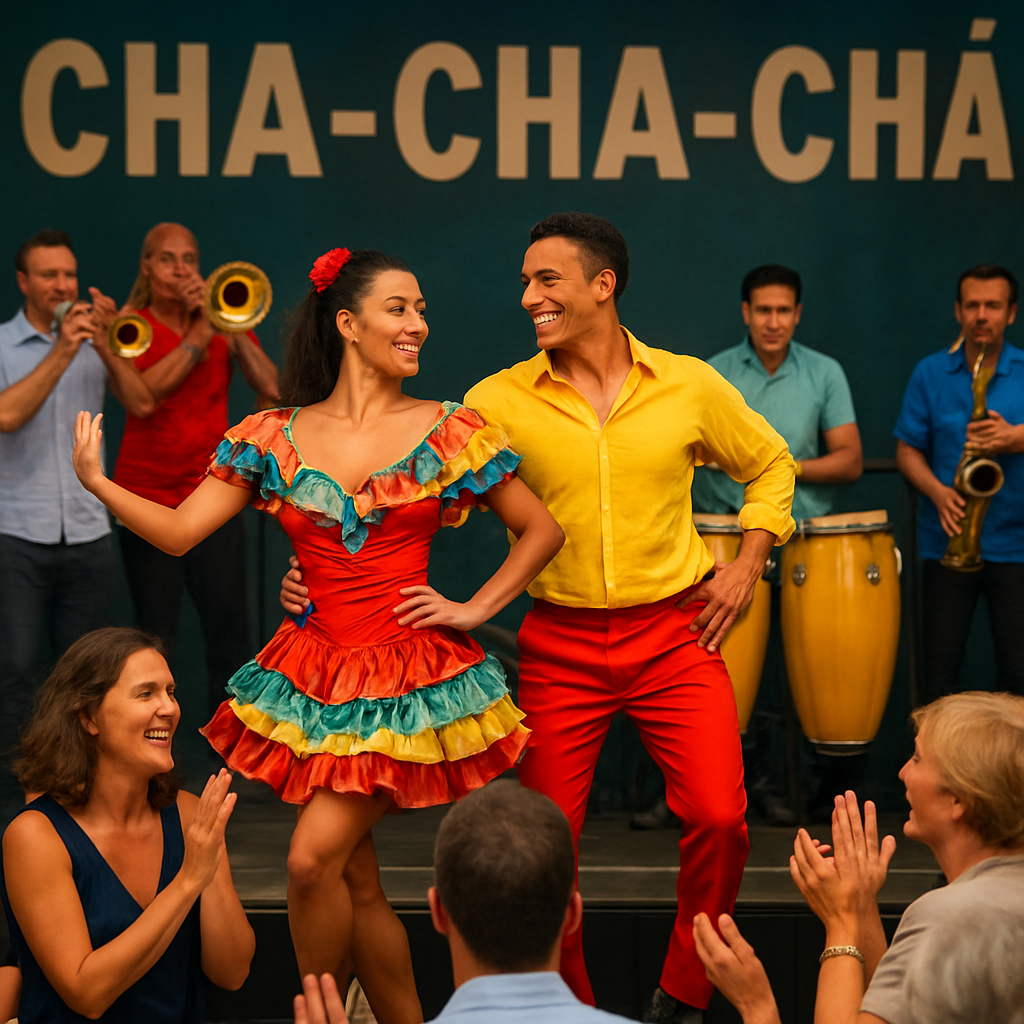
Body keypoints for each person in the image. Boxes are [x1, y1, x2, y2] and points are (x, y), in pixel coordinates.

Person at [283, 215, 795, 1022]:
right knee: (542, 849)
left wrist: (747, 561)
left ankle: (686, 993)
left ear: (603, 285)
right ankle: (570, 1009)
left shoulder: (690, 386)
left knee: (723, 819)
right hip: (560, 645)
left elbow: (770, 462)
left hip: (674, 634)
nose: (528, 297)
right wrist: (312, 570)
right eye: (524, 282)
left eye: (545, 281)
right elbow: (402, 512)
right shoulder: (495, 401)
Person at [72, 246, 564, 1024]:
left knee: (307, 861)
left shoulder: (446, 428)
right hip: (318, 677)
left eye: (422, 310)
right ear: (348, 323)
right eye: (400, 308)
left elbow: (540, 529)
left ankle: (321, 1018)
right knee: (355, 882)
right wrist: (100, 483)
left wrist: (470, 609)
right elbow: (176, 532)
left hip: (403, 683)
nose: (419, 325)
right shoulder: (274, 434)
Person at [691, 691, 1024, 1024]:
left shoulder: (948, 918)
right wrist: (861, 903)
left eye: (919, 759)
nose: (904, 772)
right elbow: (900, 1010)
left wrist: (757, 1006)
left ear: (959, 800)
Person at [0, 627, 254, 1023]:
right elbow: (87, 994)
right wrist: (189, 880)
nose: (169, 708)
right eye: (146, 693)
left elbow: (233, 972)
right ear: (88, 717)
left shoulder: (188, 814)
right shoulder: (36, 835)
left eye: (171, 692)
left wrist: (209, 864)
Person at [0, 230, 155, 817]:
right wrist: (65, 349)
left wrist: (110, 344)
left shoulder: (95, 341)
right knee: (17, 669)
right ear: (24, 283)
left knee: (87, 673)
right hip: (17, 529)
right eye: (48, 276)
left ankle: (77, 792)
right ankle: (22, 800)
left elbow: (139, 402)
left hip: (88, 531)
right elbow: (8, 416)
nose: (63, 286)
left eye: (68, 275)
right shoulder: (5, 345)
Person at [294, 781, 636, 1024]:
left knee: (315, 862)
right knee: (355, 872)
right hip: (324, 689)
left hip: (393, 687)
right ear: (573, 913)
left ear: (439, 911)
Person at [112, 223, 280, 718]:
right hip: (147, 499)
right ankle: (155, 751)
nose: (182, 269)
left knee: (230, 629)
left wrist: (227, 327)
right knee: (155, 633)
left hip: (213, 499)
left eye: (189, 259)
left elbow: (271, 385)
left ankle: (232, 755)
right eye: (168, 259)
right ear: (146, 266)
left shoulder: (223, 320)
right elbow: (143, 399)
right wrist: (200, 333)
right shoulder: (129, 327)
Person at [895, 264, 1023, 701]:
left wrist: (1015, 437)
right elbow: (907, 448)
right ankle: (938, 770)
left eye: (993, 305)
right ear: (957, 310)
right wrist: (937, 490)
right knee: (940, 675)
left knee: (1020, 673)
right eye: (972, 305)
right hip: (947, 543)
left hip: (1017, 544)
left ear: (1011, 313)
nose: (981, 315)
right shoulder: (930, 373)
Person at [693, 263, 862, 521]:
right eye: (763, 311)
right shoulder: (713, 372)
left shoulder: (826, 372)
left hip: (803, 530)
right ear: (746, 312)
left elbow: (850, 462)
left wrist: (785, 467)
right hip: (726, 529)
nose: (773, 323)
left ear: (797, 314)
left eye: (783, 311)